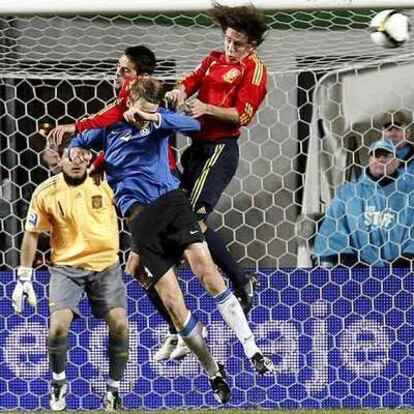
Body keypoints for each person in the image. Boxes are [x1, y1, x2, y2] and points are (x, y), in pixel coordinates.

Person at [69, 77, 275, 389]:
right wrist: (78, 155)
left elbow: (191, 126)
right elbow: (76, 146)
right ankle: (213, 372)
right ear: (128, 104)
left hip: (172, 203)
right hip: (141, 220)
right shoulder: (109, 128)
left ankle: (253, 351)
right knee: (173, 302)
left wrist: (155, 117)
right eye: (141, 110)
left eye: (151, 111)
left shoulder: (158, 123)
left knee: (207, 273)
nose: (144, 117)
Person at [163, 4, 268, 317]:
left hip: (221, 149)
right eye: (228, 39)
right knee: (177, 217)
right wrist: (179, 93)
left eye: (238, 43)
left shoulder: (254, 69)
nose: (230, 47)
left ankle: (235, 280)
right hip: (196, 149)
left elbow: (243, 115)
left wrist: (206, 109)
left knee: (191, 220)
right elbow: (190, 81)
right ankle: (237, 279)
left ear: (252, 44)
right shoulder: (212, 59)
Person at [11, 143, 129, 411]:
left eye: (81, 157)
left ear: (88, 159)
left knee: (120, 325)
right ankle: (58, 382)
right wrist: (25, 276)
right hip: (66, 269)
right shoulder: (46, 192)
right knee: (57, 328)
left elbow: (131, 211)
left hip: (106, 266)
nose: (76, 162)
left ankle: (113, 391)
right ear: (59, 160)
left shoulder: (104, 180)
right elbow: (31, 234)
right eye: (69, 157)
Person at [313, 139, 414, 268]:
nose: (381, 159)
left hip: (402, 270)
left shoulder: (409, 194)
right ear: (370, 159)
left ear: (397, 162)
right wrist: (349, 261)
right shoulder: (348, 193)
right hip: (357, 271)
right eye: (376, 155)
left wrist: (406, 258)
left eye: (387, 155)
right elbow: (332, 229)